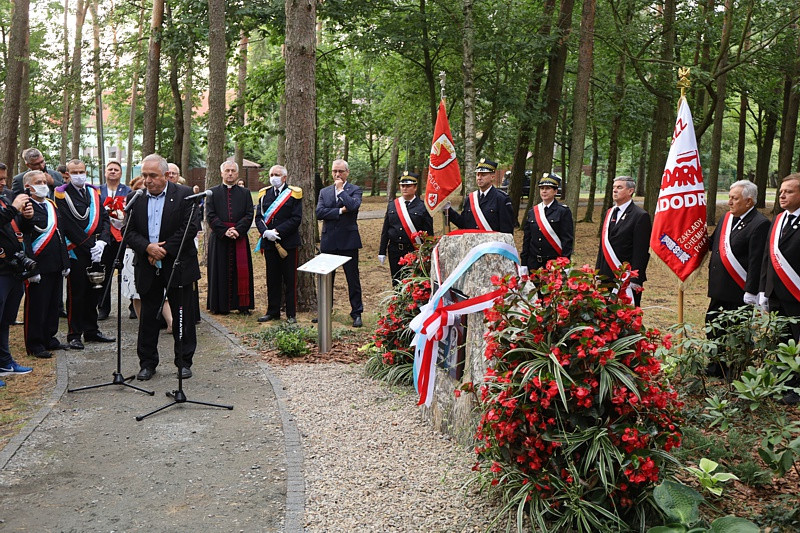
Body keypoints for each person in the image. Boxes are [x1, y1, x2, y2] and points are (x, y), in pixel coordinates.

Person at [125, 154, 201, 381]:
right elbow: (129, 232)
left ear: (167, 175)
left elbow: (190, 228)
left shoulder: (185, 195)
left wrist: (163, 250)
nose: (147, 180)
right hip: (147, 266)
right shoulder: (135, 197)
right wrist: (148, 248)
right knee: (148, 316)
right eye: (144, 175)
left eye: (152, 176)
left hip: (177, 264)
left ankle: (183, 362)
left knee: (182, 315)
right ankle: (147, 363)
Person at [55, 159, 115, 349]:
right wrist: (90, 245)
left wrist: (103, 241)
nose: (79, 175)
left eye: (82, 171)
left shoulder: (93, 192)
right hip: (78, 249)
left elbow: (104, 218)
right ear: (67, 175)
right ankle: (74, 334)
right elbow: (68, 225)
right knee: (77, 293)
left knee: (94, 291)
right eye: (75, 172)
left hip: (98, 248)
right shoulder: (62, 195)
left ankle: (91, 330)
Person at [759, 174, 800, 404]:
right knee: (782, 341)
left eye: (789, 192)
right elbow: (767, 257)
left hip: (797, 294)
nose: (782, 195)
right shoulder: (778, 220)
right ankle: (784, 384)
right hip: (776, 294)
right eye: (781, 191)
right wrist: (764, 290)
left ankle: (796, 388)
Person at [20, 171, 70, 358]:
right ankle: (35, 343)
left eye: (44, 181)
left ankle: (50, 337)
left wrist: (65, 262)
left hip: (55, 264)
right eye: (38, 182)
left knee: (52, 304)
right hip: (38, 265)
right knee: (37, 306)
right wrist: (31, 269)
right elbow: (24, 239)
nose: (43, 185)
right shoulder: (25, 207)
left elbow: (60, 234)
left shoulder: (51, 205)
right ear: (28, 187)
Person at [316, 159, 364, 327]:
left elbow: (353, 206)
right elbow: (319, 212)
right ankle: (325, 310)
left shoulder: (355, 190)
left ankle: (356, 312)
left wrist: (341, 191)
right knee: (327, 278)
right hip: (329, 241)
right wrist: (339, 211)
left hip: (348, 241)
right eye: (335, 171)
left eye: (341, 171)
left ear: (347, 172)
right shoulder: (324, 192)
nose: (337, 174)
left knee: (353, 279)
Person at [206, 161, 255, 315]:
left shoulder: (245, 193)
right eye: (227, 170)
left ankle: (242, 305)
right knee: (219, 271)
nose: (230, 173)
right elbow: (210, 215)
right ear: (221, 173)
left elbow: (249, 214)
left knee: (241, 271)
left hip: (239, 238)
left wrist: (237, 230)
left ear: (237, 173)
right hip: (220, 238)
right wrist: (225, 231)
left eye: (233, 171)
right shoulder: (212, 192)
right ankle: (219, 305)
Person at [255, 164, 302, 323]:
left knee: (289, 279)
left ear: (284, 177)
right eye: (271, 174)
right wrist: (265, 232)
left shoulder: (293, 194)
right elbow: (258, 218)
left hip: (288, 244)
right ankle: (273, 311)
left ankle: (291, 314)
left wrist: (277, 232)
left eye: (277, 174)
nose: (273, 177)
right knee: (272, 279)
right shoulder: (264, 194)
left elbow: (296, 219)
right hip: (268, 243)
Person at [595, 177, 652, 306]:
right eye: (614, 187)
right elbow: (602, 247)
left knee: (625, 318)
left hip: (626, 278)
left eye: (619, 187)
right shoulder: (609, 213)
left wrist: (635, 279)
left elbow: (641, 252)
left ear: (630, 191)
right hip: (606, 276)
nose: (615, 190)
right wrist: (597, 273)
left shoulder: (640, 216)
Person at [0, 187, 34, 388]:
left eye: (4, 179)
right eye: (0, 179)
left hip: (13, 269)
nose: (3, 183)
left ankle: (5, 362)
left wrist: (27, 218)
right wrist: (13, 208)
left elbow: (21, 229)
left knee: (5, 320)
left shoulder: (4, 200)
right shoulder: (8, 205)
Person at [378, 171, 434, 285]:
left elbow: (428, 233)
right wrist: (382, 251)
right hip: (394, 250)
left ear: (415, 187)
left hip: (413, 250)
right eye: (402, 185)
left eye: (408, 186)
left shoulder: (423, 206)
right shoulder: (393, 205)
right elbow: (386, 230)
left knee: (413, 283)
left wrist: (428, 253)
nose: (404, 188)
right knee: (396, 281)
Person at [97, 159, 132, 320]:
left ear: (120, 173)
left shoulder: (128, 191)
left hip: (124, 239)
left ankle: (133, 305)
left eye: (116, 170)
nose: (112, 171)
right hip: (105, 239)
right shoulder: (97, 191)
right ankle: (103, 307)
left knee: (129, 272)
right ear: (105, 172)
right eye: (110, 169)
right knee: (105, 274)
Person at [521, 173, 574, 271]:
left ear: (555, 191)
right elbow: (527, 240)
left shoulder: (563, 211)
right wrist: (524, 263)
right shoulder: (533, 212)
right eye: (542, 188)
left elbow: (567, 240)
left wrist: (565, 264)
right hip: (533, 263)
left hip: (554, 264)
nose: (544, 191)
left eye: (548, 188)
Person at [447, 158, 514, 234]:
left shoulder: (501, 199)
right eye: (478, 174)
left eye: (483, 175)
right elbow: (463, 223)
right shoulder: (470, 198)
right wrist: (448, 209)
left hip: (492, 244)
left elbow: (507, 231)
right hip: (473, 244)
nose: (479, 178)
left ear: (492, 177)